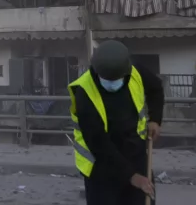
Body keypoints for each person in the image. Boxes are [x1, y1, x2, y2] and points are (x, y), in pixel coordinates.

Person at [69, 40, 165, 205]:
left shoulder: (135, 72)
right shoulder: (84, 93)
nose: (112, 83)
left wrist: (155, 119)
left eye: (117, 79)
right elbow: (99, 143)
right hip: (101, 168)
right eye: (107, 79)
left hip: (136, 156)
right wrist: (132, 176)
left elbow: (156, 89)